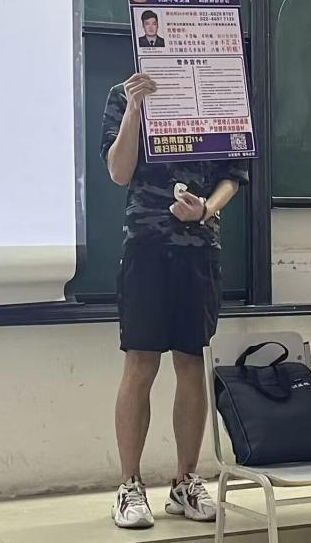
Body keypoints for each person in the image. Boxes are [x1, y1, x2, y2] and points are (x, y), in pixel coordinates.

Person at [101, 72, 248, 528]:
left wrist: (206, 210)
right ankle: (129, 485)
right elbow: (118, 171)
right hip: (145, 247)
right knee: (140, 363)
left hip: (199, 250)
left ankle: (186, 481)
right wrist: (134, 109)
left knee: (190, 362)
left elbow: (232, 176)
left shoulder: (219, 90)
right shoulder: (123, 93)